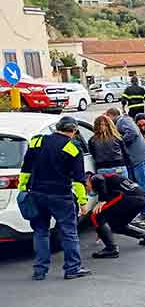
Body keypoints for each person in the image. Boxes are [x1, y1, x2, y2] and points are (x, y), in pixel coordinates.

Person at [19, 116, 91, 280]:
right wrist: (83, 202)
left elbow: (26, 168)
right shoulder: (73, 148)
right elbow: (79, 180)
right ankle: (72, 269)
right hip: (61, 196)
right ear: (73, 131)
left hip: (37, 194)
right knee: (69, 233)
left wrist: (23, 188)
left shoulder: (37, 142)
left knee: (40, 232)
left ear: (57, 127)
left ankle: (40, 271)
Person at [105, 107, 145, 228]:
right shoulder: (121, 122)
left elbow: (133, 132)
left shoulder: (122, 121)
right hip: (138, 160)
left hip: (142, 159)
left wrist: (119, 142)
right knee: (140, 188)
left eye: (107, 117)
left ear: (112, 115)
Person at [87, 171, 145, 259]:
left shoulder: (95, 178)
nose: (87, 190)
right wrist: (101, 231)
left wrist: (102, 200)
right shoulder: (109, 178)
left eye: (86, 186)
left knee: (96, 215)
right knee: (118, 225)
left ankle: (111, 249)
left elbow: (99, 179)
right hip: (141, 198)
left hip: (131, 198)